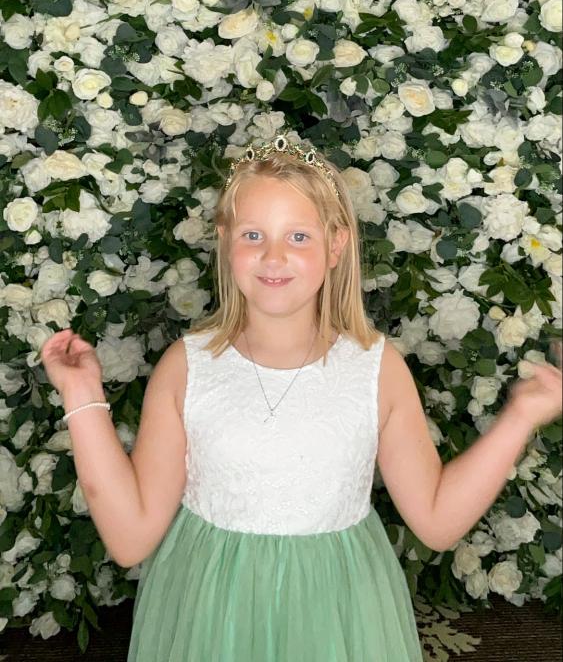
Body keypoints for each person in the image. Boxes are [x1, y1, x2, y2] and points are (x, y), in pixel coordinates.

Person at [40, 133, 563, 662]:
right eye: (253, 235)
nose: (274, 256)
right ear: (224, 239)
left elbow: (437, 521)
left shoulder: (376, 370)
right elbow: (129, 538)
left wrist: (520, 416)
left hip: (337, 613)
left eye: (298, 236)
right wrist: (81, 393)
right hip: (213, 612)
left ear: (335, 245)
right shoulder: (187, 367)